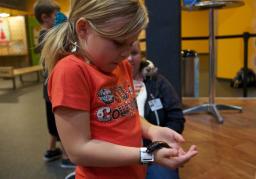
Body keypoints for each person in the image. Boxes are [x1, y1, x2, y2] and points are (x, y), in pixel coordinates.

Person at [41, 0, 198, 178]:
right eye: (118, 43)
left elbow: (127, 113)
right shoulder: (70, 71)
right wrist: (147, 155)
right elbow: (78, 150)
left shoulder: (120, 64)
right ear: (83, 28)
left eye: (131, 44)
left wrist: (152, 130)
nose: (125, 53)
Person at [128, 41, 185, 179]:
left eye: (134, 53)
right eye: (125, 52)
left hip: (156, 150)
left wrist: (163, 142)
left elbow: (176, 116)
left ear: (141, 56)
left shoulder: (158, 82)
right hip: (122, 153)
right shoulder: (110, 87)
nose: (129, 58)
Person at [33, 0, 75, 168]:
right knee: (58, 121)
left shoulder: (47, 33)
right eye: (55, 15)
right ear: (45, 18)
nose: (58, 18)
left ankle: (51, 150)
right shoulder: (46, 34)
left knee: (53, 119)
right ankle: (66, 156)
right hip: (52, 86)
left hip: (51, 85)